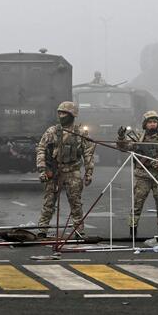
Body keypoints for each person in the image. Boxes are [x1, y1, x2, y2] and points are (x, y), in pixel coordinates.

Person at [36, 101, 95, 238]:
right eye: (60, 113)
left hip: (72, 171)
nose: (62, 116)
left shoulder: (80, 133)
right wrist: (42, 169)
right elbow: (41, 149)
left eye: (65, 113)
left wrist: (89, 173)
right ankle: (42, 229)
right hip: (55, 171)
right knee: (49, 202)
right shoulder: (52, 131)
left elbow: (88, 154)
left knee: (76, 202)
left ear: (72, 115)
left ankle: (79, 230)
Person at [118, 110, 158, 240]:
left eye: (155, 122)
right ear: (145, 124)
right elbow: (124, 147)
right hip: (142, 177)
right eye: (150, 122)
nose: (152, 124)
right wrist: (121, 137)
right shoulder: (138, 138)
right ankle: (132, 229)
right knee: (137, 205)